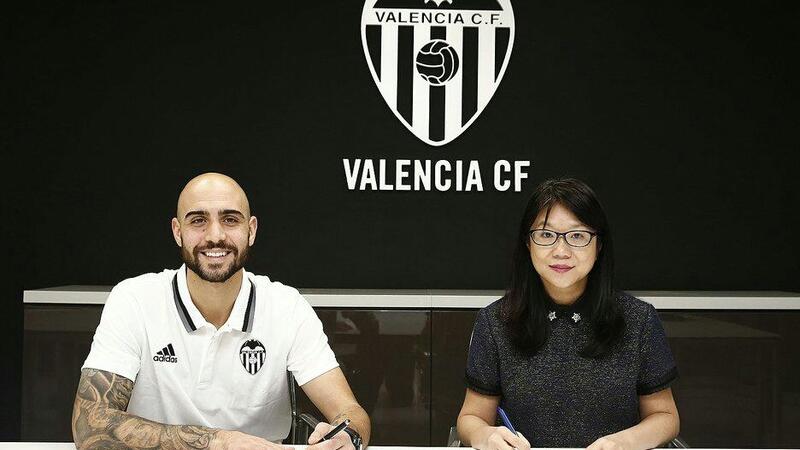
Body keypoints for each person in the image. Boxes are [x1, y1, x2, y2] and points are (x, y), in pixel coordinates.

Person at [71, 173, 370, 450]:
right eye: (198, 220)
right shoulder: (134, 299)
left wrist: (347, 435)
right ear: (178, 232)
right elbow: (89, 424)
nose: (215, 235)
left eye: (230, 219)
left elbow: (350, 411)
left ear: (251, 230)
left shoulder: (286, 306)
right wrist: (220, 442)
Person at [457, 178, 679, 450]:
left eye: (577, 236)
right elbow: (471, 417)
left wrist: (624, 442)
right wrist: (485, 435)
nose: (561, 251)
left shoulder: (638, 319)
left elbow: (665, 416)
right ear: (528, 243)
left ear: (599, 245)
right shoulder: (496, 321)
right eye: (546, 235)